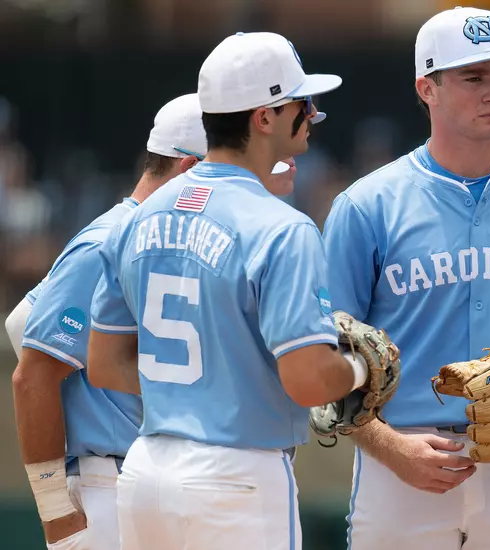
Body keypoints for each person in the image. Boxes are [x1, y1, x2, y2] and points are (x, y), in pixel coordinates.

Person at [321, 6, 490, 549]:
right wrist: (386, 446)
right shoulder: (366, 205)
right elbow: (327, 360)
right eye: (473, 77)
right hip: (403, 458)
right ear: (427, 87)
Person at [85, 32, 374, 549]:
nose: (311, 113)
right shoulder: (282, 227)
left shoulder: (140, 216)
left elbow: (105, 364)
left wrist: (197, 391)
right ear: (264, 117)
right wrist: (361, 368)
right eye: (300, 103)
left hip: (145, 470)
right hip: (236, 477)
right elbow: (308, 383)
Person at [6, 93, 208, 550]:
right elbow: (32, 373)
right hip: (108, 488)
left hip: (156, 484)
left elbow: (22, 321)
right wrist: (55, 508)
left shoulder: (157, 236)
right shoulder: (111, 237)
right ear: (189, 170)